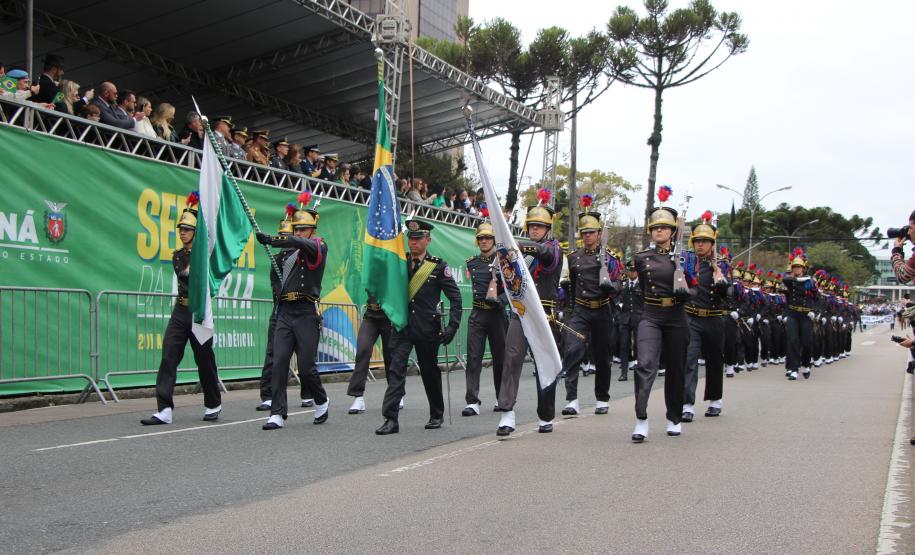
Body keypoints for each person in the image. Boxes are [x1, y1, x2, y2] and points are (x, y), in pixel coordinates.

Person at [141, 192, 222, 425]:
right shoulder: (178, 256)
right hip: (180, 311)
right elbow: (184, 278)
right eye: (181, 229)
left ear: (196, 232)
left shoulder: (205, 256)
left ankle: (213, 402)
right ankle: (164, 408)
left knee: (204, 360)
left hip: (198, 311)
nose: (182, 232)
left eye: (187, 229)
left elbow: (207, 278)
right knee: (169, 355)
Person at [375, 219, 462, 435]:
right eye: (410, 239)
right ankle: (390, 418)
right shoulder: (400, 263)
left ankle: (436, 413)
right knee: (395, 370)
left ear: (427, 239)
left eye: (418, 238)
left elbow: (455, 298)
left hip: (427, 329)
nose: (413, 243)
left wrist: (452, 326)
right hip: (402, 328)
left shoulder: (437, 266)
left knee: (429, 372)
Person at [255, 192, 330, 430]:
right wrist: (274, 243)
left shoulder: (319, 245)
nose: (298, 233)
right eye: (296, 229)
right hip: (285, 311)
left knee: (307, 367)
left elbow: (300, 244)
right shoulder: (285, 254)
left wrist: (272, 238)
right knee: (279, 363)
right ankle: (277, 412)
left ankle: (321, 399)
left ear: (312, 230)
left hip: (307, 311)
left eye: (303, 229)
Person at [496, 190, 563, 436]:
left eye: (540, 226)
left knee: (544, 363)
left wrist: (521, 247)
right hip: (521, 312)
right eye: (532, 226)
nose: (535, 229)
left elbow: (547, 257)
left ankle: (545, 415)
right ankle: (507, 413)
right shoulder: (519, 252)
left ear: (548, 228)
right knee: (511, 357)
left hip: (545, 314)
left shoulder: (554, 248)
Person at [631, 189, 694, 443]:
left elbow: (696, 286)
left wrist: (684, 291)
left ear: (672, 232)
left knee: (676, 369)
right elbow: (644, 289)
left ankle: (674, 418)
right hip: (651, 314)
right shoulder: (641, 258)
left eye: (664, 228)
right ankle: (641, 418)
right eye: (655, 228)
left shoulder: (685, 258)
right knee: (645, 364)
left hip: (676, 316)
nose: (658, 231)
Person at [559, 202, 621, 416]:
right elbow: (573, 285)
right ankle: (571, 399)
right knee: (573, 350)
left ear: (599, 233)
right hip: (581, 310)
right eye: (584, 233)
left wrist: (610, 288)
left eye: (591, 232)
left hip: (603, 310)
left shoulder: (611, 258)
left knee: (603, 356)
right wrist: (570, 308)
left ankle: (602, 397)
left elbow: (619, 282)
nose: (587, 236)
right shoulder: (574, 257)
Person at [681, 211, 729, 422]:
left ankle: (714, 400)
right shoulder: (687, 262)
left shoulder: (722, 264)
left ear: (712, 243)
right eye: (697, 241)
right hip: (691, 317)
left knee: (714, 359)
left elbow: (730, 295)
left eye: (705, 241)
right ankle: (687, 404)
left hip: (714, 317)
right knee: (689, 359)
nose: (700, 245)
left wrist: (721, 280)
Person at [462, 220, 508, 416]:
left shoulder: (504, 262)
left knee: (500, 359)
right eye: (481, 238)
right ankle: (472, 401)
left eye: (488, 238)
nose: (484, 241)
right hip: (478, 313)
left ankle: (501, 397)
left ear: (494, 240)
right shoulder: (471, 262)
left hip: (496, 315)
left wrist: (501, 301)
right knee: (473, 358)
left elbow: (514, 290)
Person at [256, 209, 295, 412]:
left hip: (300, 312)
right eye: (281, 237)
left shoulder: (301, 257)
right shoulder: (277, 261)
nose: (284, 241)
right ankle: (268, 395)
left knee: (305, 357)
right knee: (273, 353)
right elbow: (276, 287)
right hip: (281, 310)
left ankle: (308, 393)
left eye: (287, 238)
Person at [345, 293, 394, 414]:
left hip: (390, 316)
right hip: (371, 315)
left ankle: (395, 394)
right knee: (363, 350)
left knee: (390, 356)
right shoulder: (371, 272)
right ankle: (358, 397)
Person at [782, 249, 819, 380]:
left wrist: (814, 311)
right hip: (793, 313)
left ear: (804, 268)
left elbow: (816, 298)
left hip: (806, 315)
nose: (796, 269)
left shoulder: (811, 282)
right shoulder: (790, 281)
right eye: (795, 267)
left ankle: (806, 364)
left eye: (799, 267)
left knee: (806, 342)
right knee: (792, 341)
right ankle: (793, 368)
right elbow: (784, 280)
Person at [617, 261, 642, 381]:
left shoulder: (642, 285)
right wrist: (619, 308)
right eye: (630, 271)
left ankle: (640, 369)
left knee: (639, 345)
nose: (632, 273)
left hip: (639, 317)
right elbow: (617, 298)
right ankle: (624, 372)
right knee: (624, 345)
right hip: (625, 318)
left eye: (634, 271)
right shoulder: (623, 284)